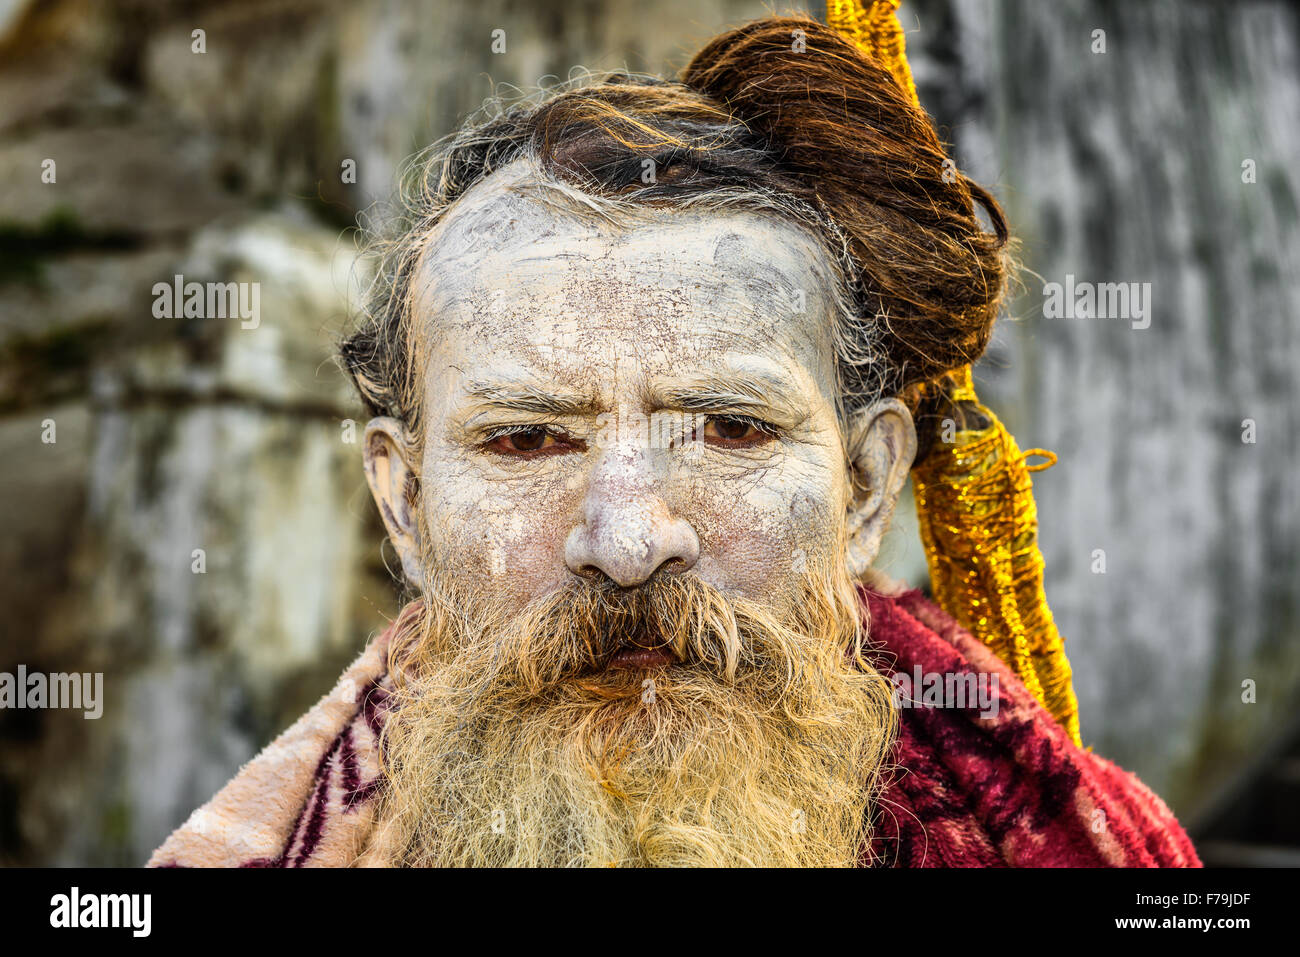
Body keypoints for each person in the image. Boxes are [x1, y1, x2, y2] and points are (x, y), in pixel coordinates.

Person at [149, 13, 1200, 868]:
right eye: (526, 441)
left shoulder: (1078, 846)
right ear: (405, 504)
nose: (625, 540)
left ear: (867, 488)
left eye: (730, 429)